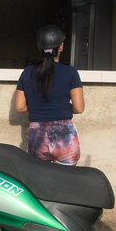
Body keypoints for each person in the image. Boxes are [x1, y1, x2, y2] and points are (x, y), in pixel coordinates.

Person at [13, 24, 84, 165]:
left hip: (37, 135)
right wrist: (63, 106)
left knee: (41, 181)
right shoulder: (70, 72)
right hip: (64, 136)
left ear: (39, 47)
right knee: (66, 181)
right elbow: (79, 108)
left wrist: (37, 105)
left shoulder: (27, 72)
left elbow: (19, 107)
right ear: (61, 47)